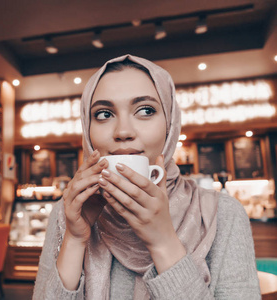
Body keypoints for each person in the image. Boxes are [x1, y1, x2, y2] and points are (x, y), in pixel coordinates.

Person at [33, 54, 260, 299]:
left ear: (170, 124)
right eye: (104, 114)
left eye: (145, 110)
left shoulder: (222, 214)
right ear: (87, 129)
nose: (123, 131)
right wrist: (75, 240)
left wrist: (163, 242)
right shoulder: (68, 212)